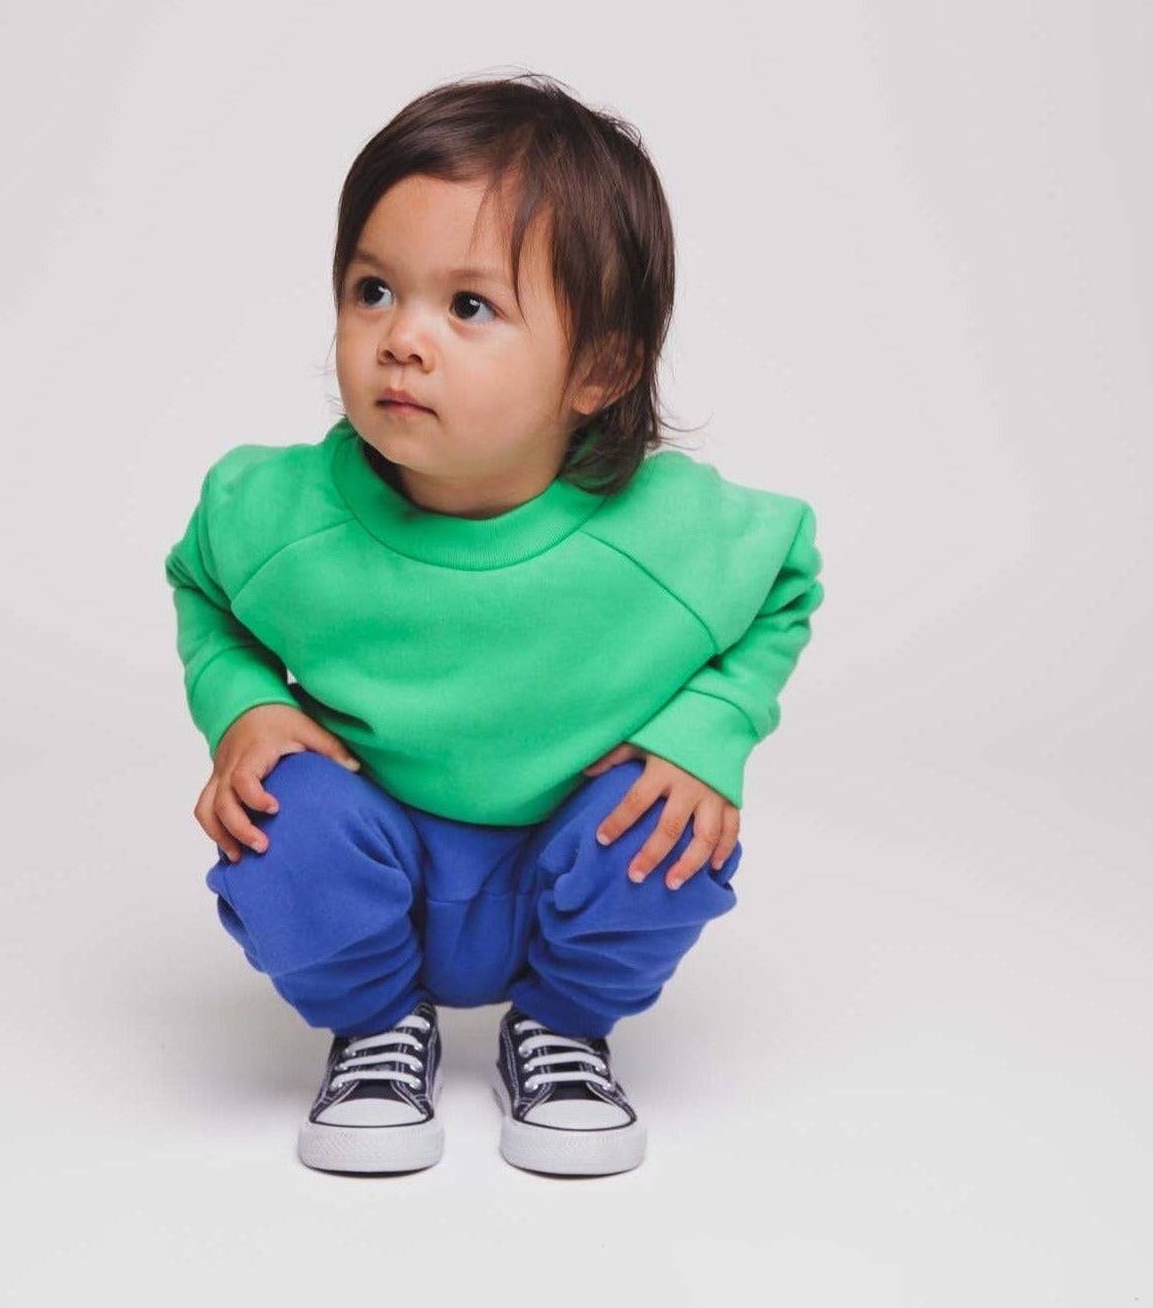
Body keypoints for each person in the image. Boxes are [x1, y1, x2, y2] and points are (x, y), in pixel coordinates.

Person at [164, 72, 825, 1179]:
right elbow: (201, 584)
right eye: (373, 290)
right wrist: (245, 707)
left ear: (599, 368)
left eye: (468, 308)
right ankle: (376, 1027)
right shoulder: (278, 514)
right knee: (279, 819)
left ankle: (562, 1030)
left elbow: (785, 579)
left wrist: (706, 731)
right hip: (375, 853)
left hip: (570, 857)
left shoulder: (662, 530)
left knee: (668, 825)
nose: (401, 339)